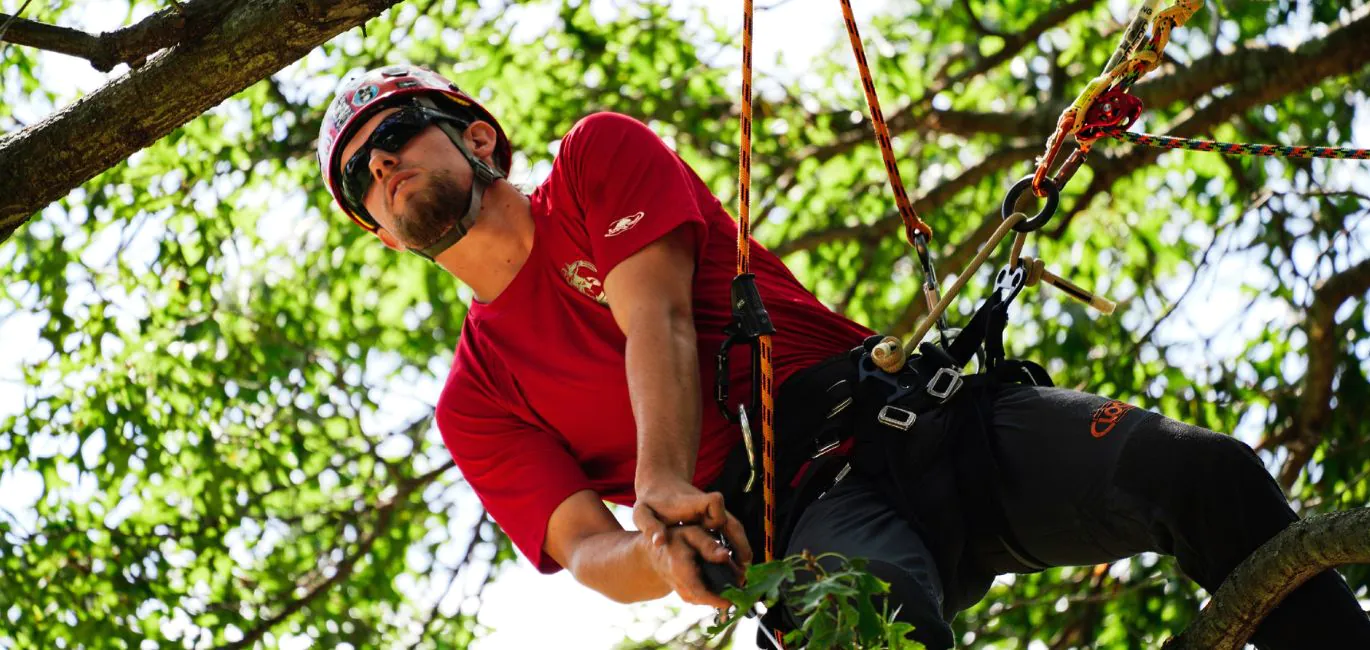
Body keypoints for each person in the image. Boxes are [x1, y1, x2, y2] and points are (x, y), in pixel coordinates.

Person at [316, 64, 1370, 649]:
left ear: (479, 136)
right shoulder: (476, 397)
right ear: (374, 226)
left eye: (399, 131)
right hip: (806, 523)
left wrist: (660, 480)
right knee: (863, 636)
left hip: (909, 422)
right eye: (360, 175)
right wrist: (666, 554)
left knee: (1202, 473)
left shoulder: (597, 158)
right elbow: (586, 549)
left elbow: (660, 322)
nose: (385, 166)